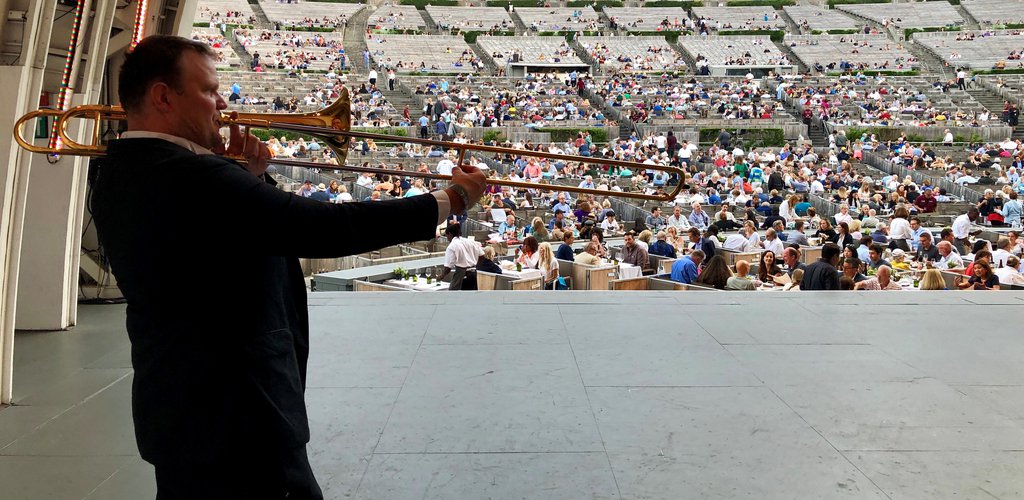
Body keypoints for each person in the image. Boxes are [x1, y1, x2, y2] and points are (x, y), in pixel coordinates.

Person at [89, 35, 487, 498]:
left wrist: (248, 177)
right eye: (209, 91)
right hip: (240, 413)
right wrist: (450, 199)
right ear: (162, 96)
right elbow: (325, 227)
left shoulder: (119, 170)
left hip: (179, 406)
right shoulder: (195, 177)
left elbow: (221, 237)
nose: (222, 104)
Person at [440, 224, 484, 290]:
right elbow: (482, 255)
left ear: (450, 234)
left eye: (446, 236)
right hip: (473, 274)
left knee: (454, 296)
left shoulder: (452, 246)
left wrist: (441, 276)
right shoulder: (470, 241)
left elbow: (448, 267)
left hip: (461, 274)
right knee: (471, 297)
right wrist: (477, 266)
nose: (447, 238)